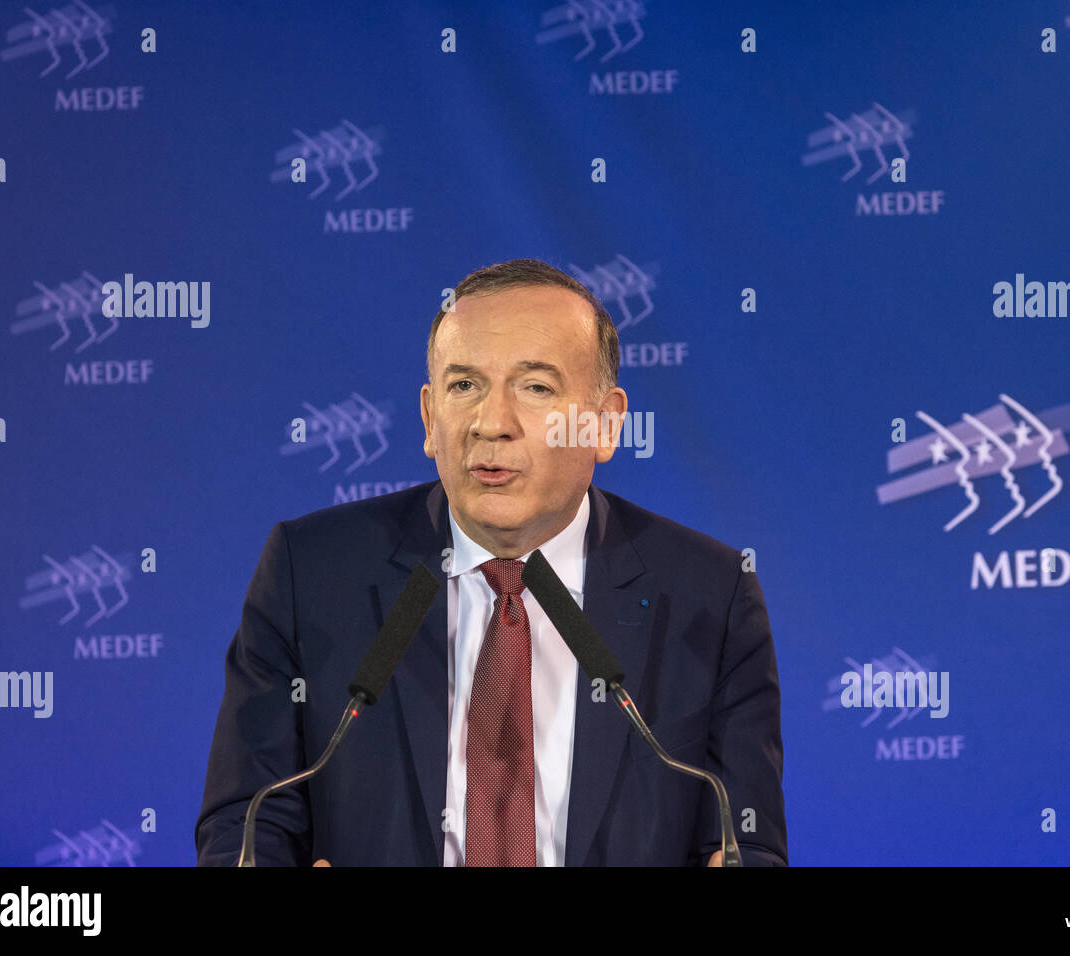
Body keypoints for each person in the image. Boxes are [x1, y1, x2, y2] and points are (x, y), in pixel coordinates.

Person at [195, 258, 786, 866]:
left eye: (535, 387)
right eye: (463, 386)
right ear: (429, 420)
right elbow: (247, 820)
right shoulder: (311, 572)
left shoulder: (708, 597)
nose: (491, 423)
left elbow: (746, 839)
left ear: (606, 425)